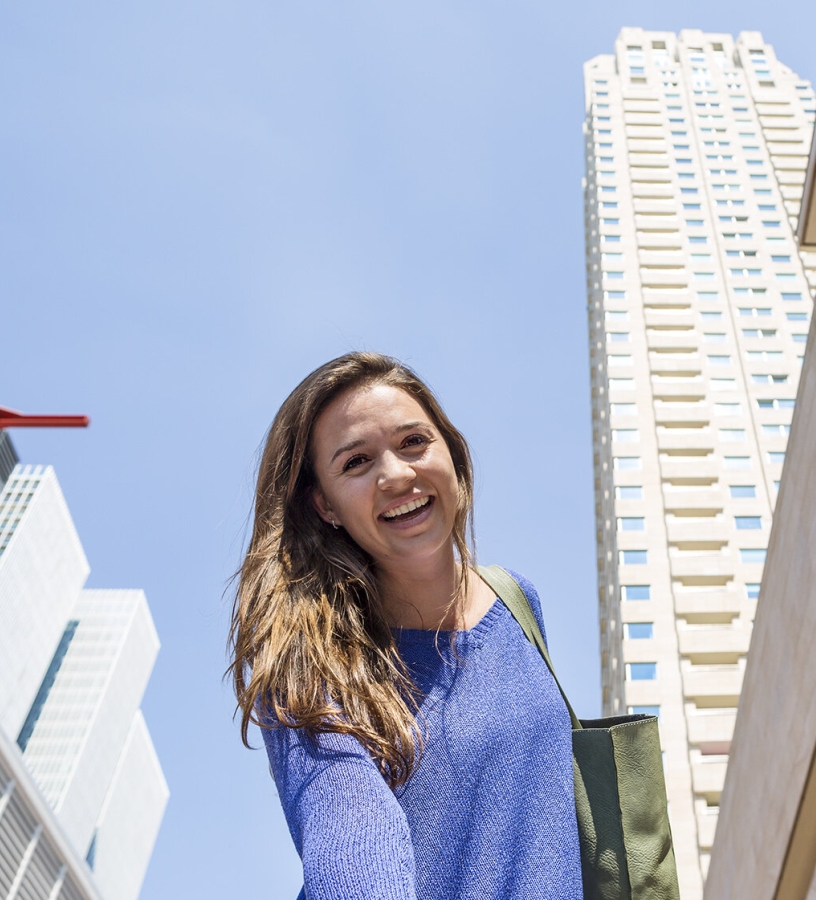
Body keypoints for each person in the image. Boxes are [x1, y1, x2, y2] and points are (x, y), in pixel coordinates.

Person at [228, 352, 580, 899]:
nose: (396, 475)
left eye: (414, 442)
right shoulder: (307, 661)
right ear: (325, 506)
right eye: (356, 463)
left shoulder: (517, 600)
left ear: (452, 453)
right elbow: (347, 828)